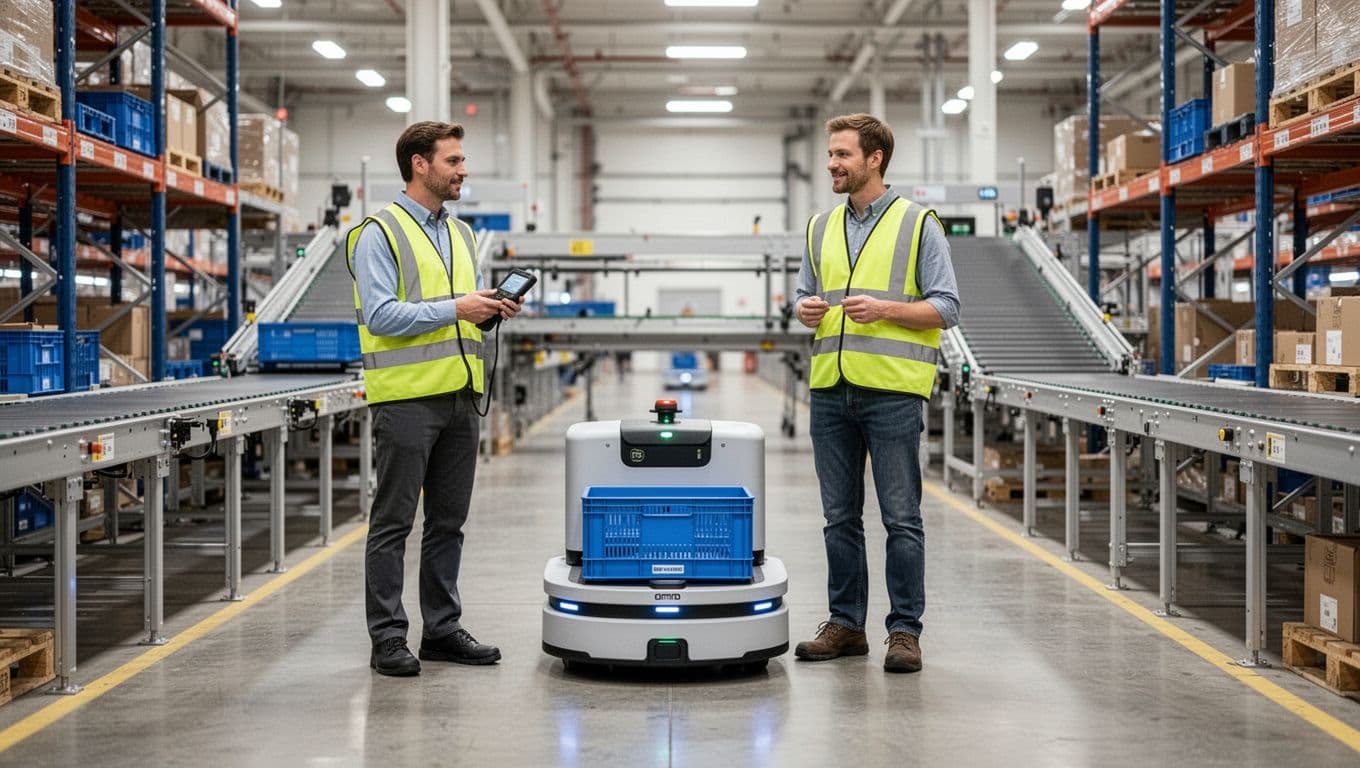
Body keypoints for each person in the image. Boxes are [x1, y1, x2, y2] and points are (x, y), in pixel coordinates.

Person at [347, 121, 523, 677]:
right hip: (406, 402)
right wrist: (458, 308)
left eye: (462, 160)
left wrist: (489, 309)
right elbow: (381, 316)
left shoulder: (462, 234)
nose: (462, 170)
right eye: (453, 161)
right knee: (393, 523)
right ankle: (387, 638)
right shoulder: (379, 232)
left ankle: (442, 629)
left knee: (449, 523)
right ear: (419, 165)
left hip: (460, 397)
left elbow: (458, 310)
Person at [793, 113, 960, 674]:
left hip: (892, 393)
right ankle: (846, 625)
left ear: (874, 159)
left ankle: (904, 631)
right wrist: (802, 309)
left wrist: (886, 309)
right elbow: (803, 295)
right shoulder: (819, 227)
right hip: (830, 391)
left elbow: (947, 307)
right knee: (838, 518)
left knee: (901, 519)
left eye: (842, 154)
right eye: (830, 155)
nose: (831, 164)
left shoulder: (918, 223)